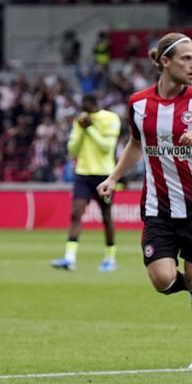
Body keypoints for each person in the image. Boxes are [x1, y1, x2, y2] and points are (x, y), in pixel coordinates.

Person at [97, 32, 192, 370]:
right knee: (162, 280)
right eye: (187, 58)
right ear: (166, 62)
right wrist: (114, 177)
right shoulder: (138, 104)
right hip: (157, 206)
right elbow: (135, 143)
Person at [51, 94, 121, 271]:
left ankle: (110, 258)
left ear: (96, 105)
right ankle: (69, 258)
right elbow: (72, 149)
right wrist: (82, 129)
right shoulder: (80, 120)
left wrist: (90, 129)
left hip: (104, 175)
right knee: (75, 213)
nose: (84, 110)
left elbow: (106, 148)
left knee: (106, 216)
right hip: (82, 173)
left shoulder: (110, 118)